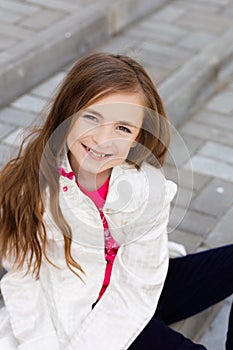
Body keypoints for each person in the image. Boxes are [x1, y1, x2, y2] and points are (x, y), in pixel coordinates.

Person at [0, 52, 232, 350]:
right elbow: (23, 279)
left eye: (122, 128)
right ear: (67, 113)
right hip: (90, 311)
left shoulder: (145, 186)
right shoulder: (29, 187)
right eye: (92, 118)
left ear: (138, 136)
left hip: (141, 290)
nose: (102, 139)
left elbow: (140, 281)